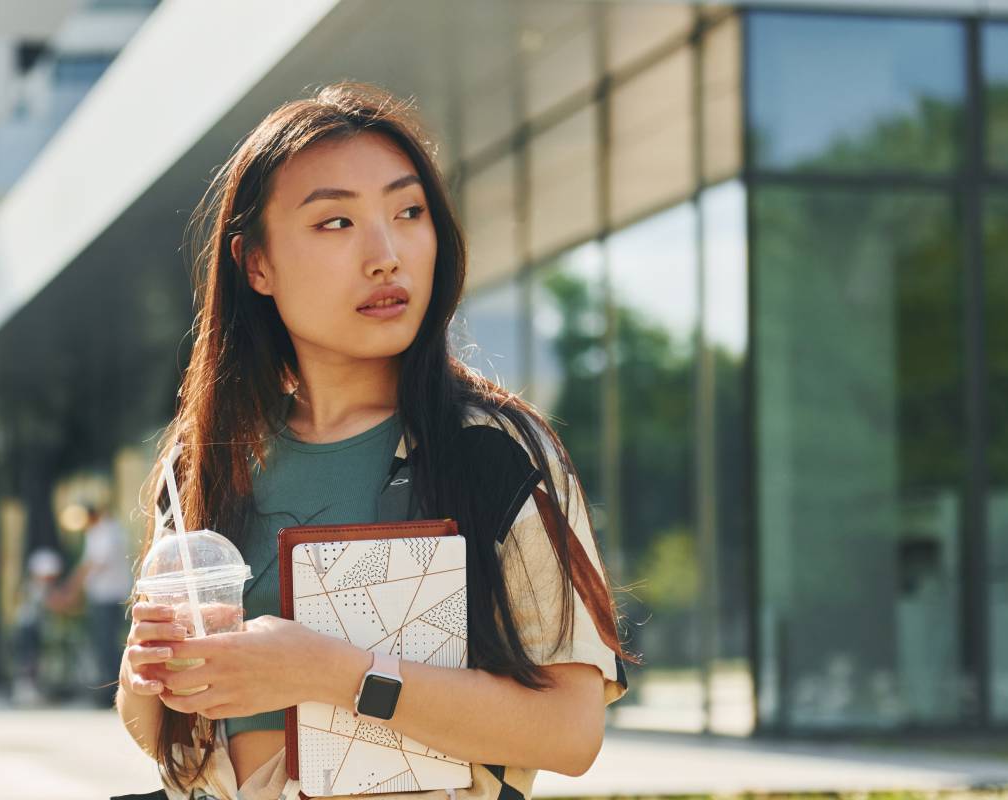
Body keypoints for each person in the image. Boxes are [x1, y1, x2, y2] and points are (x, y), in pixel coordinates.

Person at [112, 82, 636, 800]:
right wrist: (150, 675)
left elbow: (572, 733)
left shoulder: (494, 452)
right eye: (335, 223)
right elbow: (155, 730)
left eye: (408, 212)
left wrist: (330, 673)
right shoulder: (202, 460)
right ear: (255, 264)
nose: (386, 255)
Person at [55, 504, 134, 707]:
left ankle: (112, 692)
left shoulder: (108, 532)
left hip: (109, 596)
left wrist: (71, 589)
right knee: (103, 645)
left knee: (107, 645)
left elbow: (93, 564)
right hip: (101, 595)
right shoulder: (97, 533)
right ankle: (110, 690)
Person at [11, 546, 65, 706]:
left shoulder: (37, 587)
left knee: (34, 661)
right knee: (29, 660)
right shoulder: (35, 588)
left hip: (33, 629)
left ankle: (30, 690)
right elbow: (55, 604)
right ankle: (25, 692)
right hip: (29, 629)